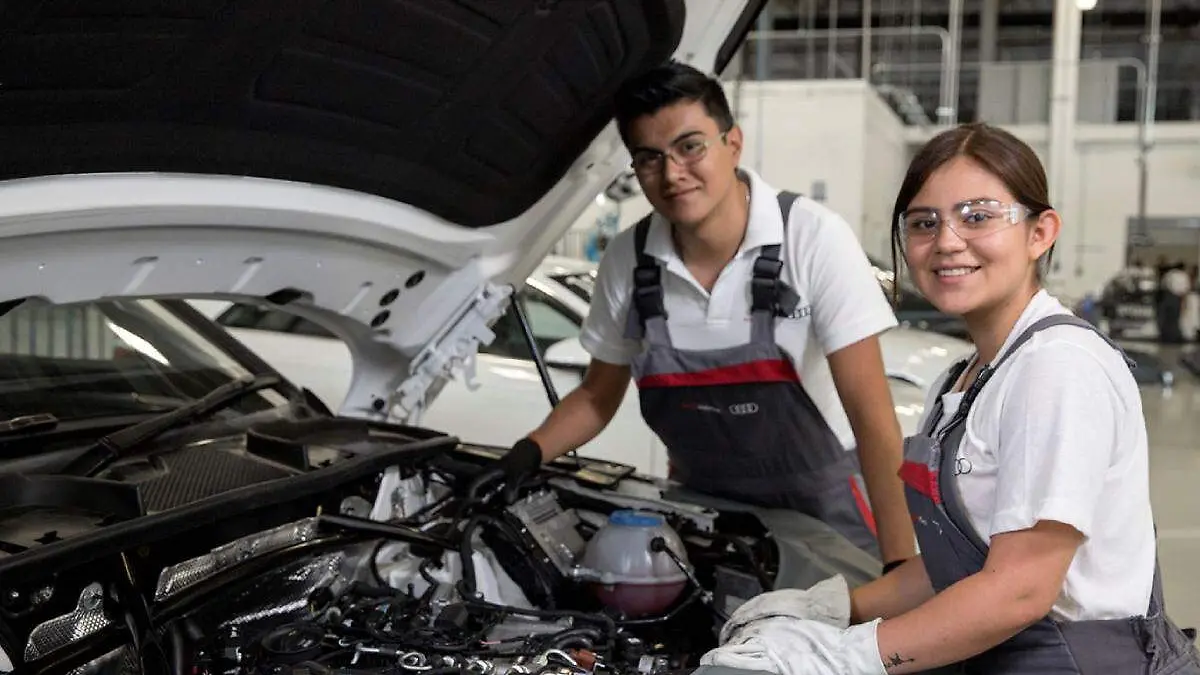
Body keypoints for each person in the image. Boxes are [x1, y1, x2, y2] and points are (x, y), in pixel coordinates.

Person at [702, 122, 1200, 673]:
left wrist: (846, 656)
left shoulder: (1057, 366)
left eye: (978, 216)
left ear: (1041, 232)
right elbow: (959, 563)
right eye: (924, 222)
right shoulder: (962, 379)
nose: (947, 241)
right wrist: (835, 609)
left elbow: (1020, 590)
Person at [496, 59, 917, 568]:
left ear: (732, 143)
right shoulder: (628, 260)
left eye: (689, 146)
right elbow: (595, 396)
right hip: (708, 519)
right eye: (649, 158)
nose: (672, 173)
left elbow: (872, 420)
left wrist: (900, 564)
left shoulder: (810, 237)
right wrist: (525, 455)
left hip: (830, 516)